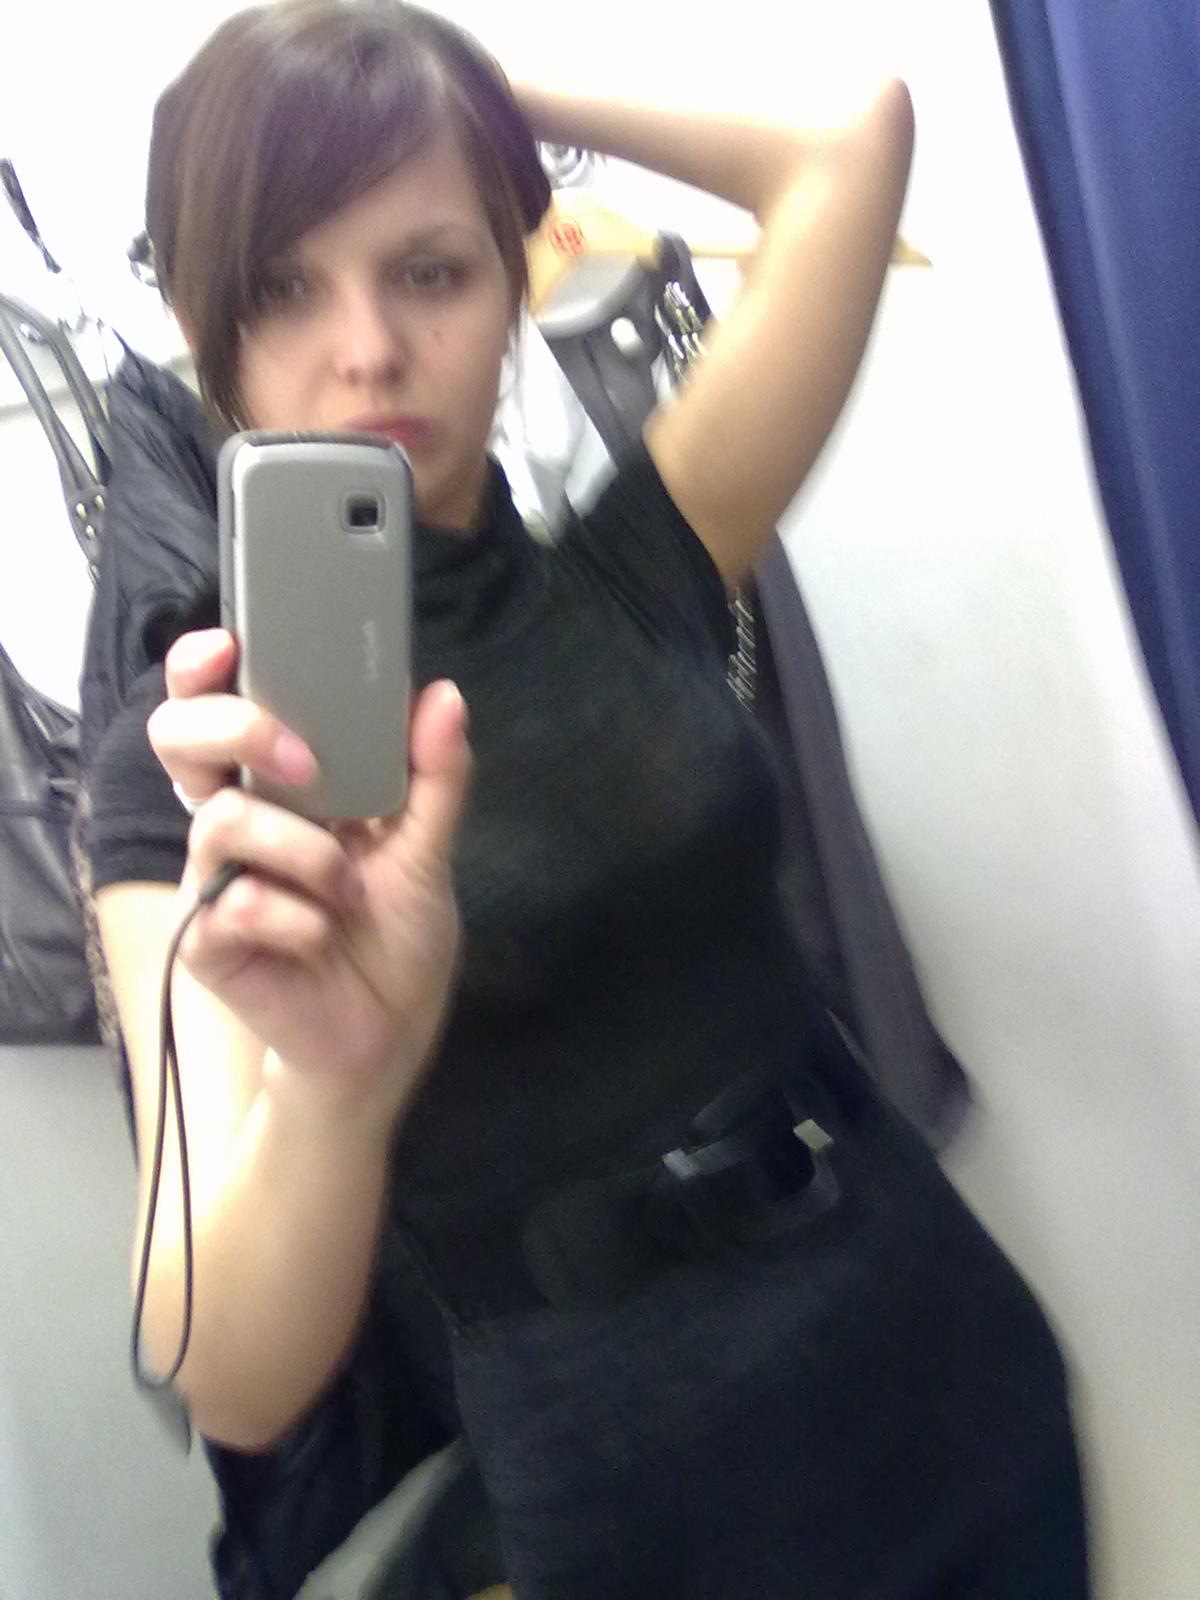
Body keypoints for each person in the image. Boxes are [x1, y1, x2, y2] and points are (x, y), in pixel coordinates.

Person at [84, 3, 1092, 1597]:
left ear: (517, 280)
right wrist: (339, 1087)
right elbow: (236, 1378)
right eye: (285, 286)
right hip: (646, 1511)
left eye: (431, 268)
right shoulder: (200, 763)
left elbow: (850, 143)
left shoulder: (639, 568)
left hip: (944, 1367)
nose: (367, 346)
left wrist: (470, 91)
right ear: (209, 333)